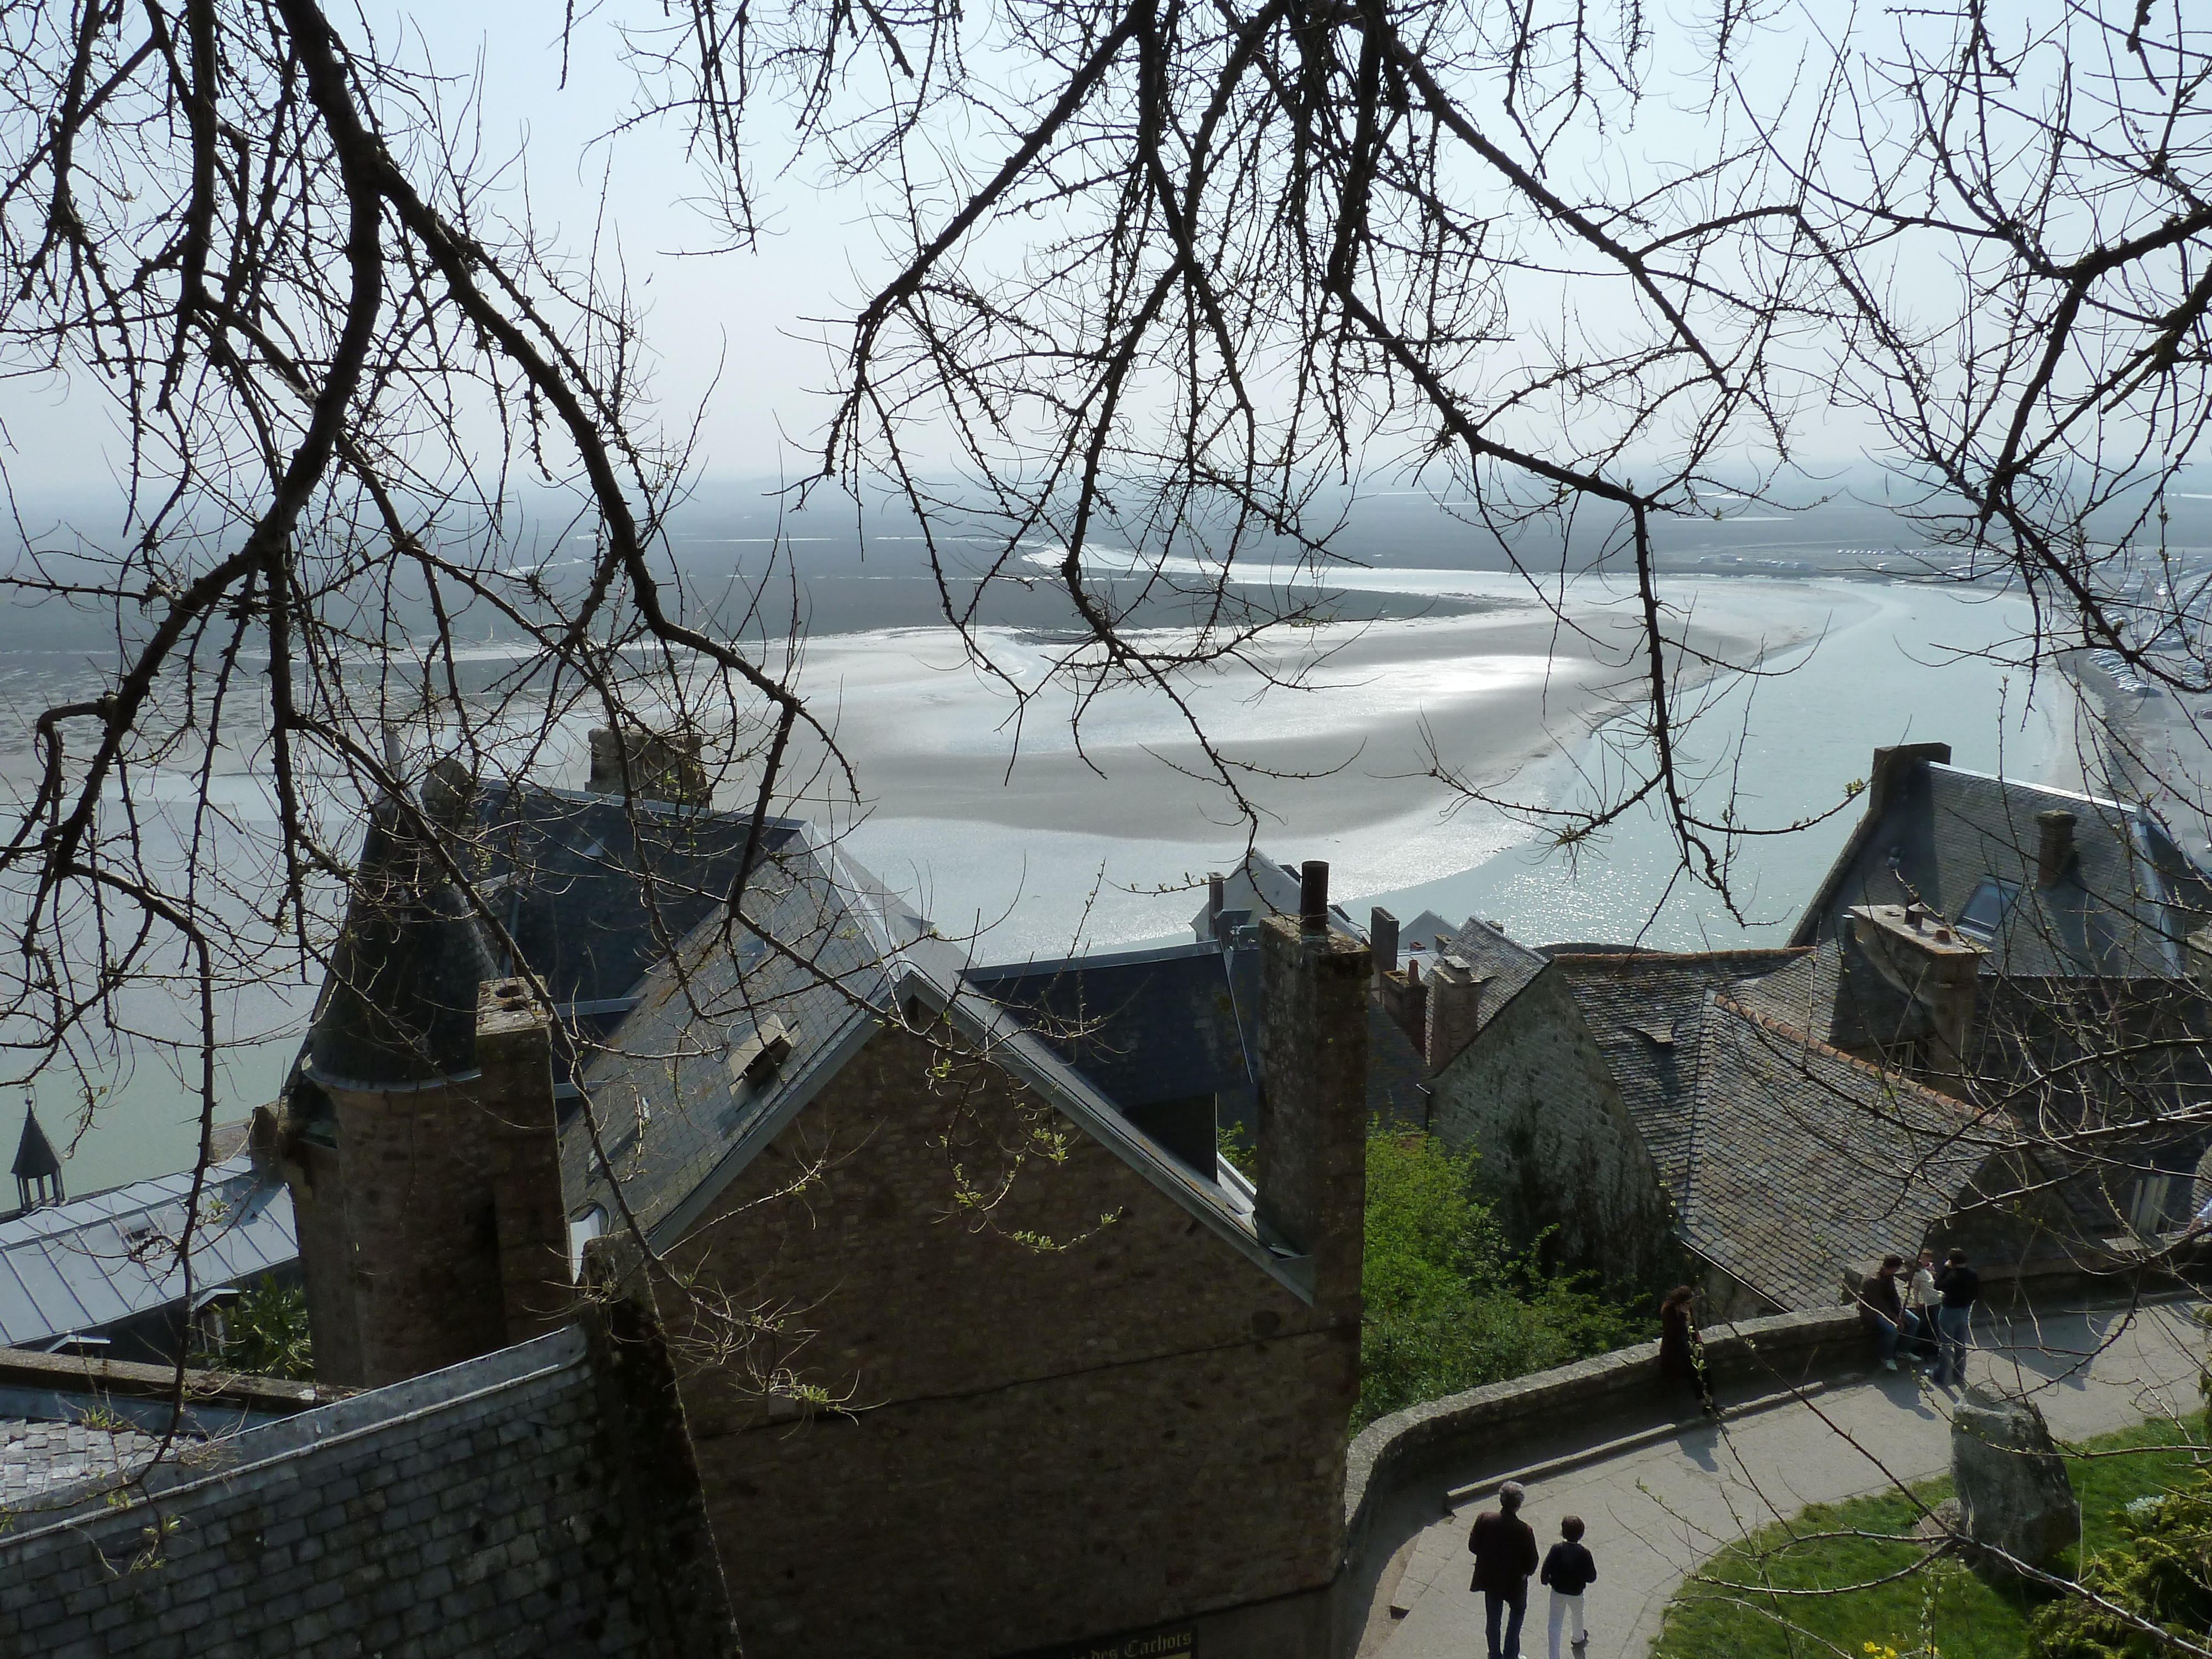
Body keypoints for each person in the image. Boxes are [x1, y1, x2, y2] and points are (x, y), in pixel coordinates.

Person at [1468, 1480, 1541, 1659]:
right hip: (1515, 1583)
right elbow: (1532, 1561)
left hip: (1491, 1579)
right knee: (1516, 1616)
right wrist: (1525, 1573)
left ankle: (1494, 1655)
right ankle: (1511, 1655)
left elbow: (1473, 1546)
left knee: (1493, 1620)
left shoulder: (1484, 1519)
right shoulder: (1524, 1530)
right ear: (1519, 1505)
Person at [1539, 1514, 1597, 1658]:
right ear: (1581, 1534)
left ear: (1563, 1532)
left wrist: (1546, 1580)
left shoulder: (1556, 1549)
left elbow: (1546, 1568)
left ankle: (1554, 1656)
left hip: (1558, 1591)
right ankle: (1578, 1637)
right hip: (1576, 1592)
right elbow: (1592, 1577)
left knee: (1555, 1623)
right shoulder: (1584, 1553)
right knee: (1578, 1614)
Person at [1854, 1253, 1918, 1371]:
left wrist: (1900, 1311)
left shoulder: (1889, 1276)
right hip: (1873, 1311)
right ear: (1892, 1268)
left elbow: (1894, 1296)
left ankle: (1903, 1351)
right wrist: (1895, 1318)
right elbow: (1879, 1304)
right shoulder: (1873, 1280)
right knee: (1893, 1330)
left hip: (1889, 1308)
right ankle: (1887, 1357)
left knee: (1914, 1321)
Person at [1658, 1285, 1715, 1415]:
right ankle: (1703, 1403)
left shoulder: (1688, 1311)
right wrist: (1682, 1318)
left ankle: (1710, 1400)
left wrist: (1699, 1344)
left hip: (1688, 1346)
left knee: (1705, 1367)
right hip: (1674, 1350)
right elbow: (1674, 1334)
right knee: (1692, 1370)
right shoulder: (1668, 1311)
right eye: (1687, 1303)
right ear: (1679, 1303)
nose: (1689, 1306)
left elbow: (1694, 1329)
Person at [1931, 1247, 1979, 1387]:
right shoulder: (1972, 1274)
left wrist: (1945, 1269)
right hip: (1964, 1310)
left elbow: (1938, 1285)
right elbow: (1976, 1293)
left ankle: (1939, 1375)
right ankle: (1959, 1373)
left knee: (1945, 1345)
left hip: (1949, 1311)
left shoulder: (1953, 1276)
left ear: (1951, 1261)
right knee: (1960, 1344)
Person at [1908, 1248, 1943, 1363]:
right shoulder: (1920, 1274)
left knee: (1932, 1328)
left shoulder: (1924, 1272)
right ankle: (1930, 1350)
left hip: (1932, 1302)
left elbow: (1919, 1289)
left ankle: (1932, 1350)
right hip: (1930, 1302)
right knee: (1930, 1328)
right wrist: (1917, 1301)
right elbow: (1916, 1290)